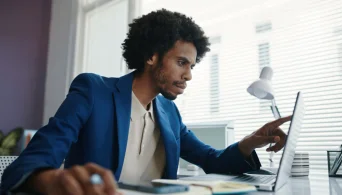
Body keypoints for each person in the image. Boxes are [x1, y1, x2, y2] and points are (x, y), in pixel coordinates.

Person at [1, 9, 291, 195]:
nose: (188, 75)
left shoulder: (169, 112)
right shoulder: (93, 91)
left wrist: (251, 142)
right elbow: (32, 162)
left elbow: (211, 159)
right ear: (152, 56)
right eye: (181, 63)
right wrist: (47, 180)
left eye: (191, 66)